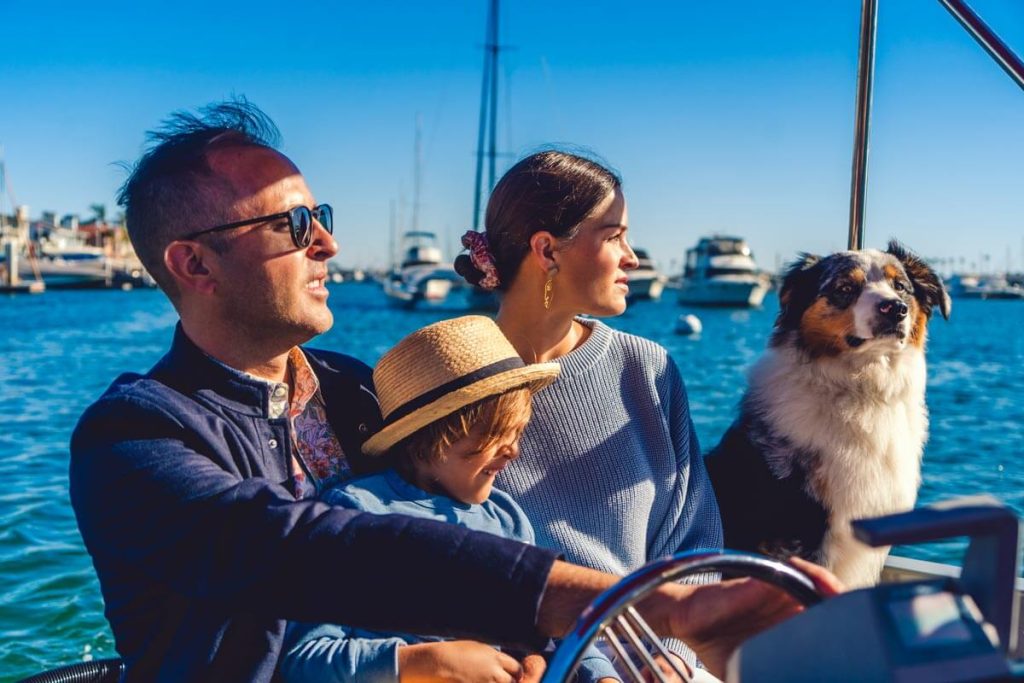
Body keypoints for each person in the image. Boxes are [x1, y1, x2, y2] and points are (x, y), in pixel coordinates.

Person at [69, 100, 839, 682]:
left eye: (321, 217)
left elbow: (459, 523)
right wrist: (625, 603)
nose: (328, 242)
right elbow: (308, 549)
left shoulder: (352, 388)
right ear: (193, 266)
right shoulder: (133, 439)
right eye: (292, 223)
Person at [455, 151, 724, 668]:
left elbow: (693, 539)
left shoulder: (648, 369)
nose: (633, 258)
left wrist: (668, 657)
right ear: (547, 250)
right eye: (613, 235)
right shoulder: (448, 381)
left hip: (655, 661)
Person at [280, 315, 618, 683]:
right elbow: (306, 658)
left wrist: (596, 674)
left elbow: (549, 632)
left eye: (518, 433)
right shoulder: (355, 513)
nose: (513, 452)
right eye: (495, 434)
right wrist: (422, 662)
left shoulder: (506, 517)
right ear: (431, 438)